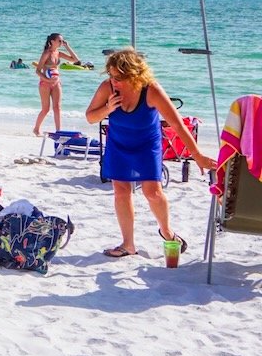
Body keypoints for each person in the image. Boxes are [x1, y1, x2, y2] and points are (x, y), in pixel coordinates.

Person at [85, 48, 213, 259]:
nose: (113, 81)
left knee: (152, 192)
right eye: (111, 75)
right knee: (121, 192)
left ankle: (167, 231)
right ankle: (128, 245)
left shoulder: (151, 90)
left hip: (147, 145)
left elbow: (179, 126)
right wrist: (107, 109)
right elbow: (90, 117)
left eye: (118, 77)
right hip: (118, 144)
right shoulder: (107, 88)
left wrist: (197, 155)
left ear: (134, 74)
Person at [32, 32, 83, 136]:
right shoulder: (47, 53)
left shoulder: (58, 53)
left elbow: (76, 60)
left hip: (56, 82)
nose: (61, 42)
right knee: (45, 109)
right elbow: (37, 71)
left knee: (57, 107)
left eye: (62, 41)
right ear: (52, 41)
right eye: (59, 41)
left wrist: (67, 46)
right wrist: (47, 79)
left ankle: (58, 131)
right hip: (45, 83)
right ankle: (36, 129)